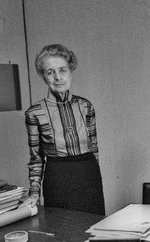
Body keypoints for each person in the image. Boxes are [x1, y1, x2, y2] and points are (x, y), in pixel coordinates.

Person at [19, 44, 105, 215]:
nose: (58, 77)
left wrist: (95, 178)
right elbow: (36, 159)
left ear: (70, 71)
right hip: (58, 179)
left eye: (62, 70)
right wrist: (34, 193)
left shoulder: (86, 106)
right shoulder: (34, 113)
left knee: (94, 230)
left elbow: (94, 148)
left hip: (89, 176)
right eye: (50, 72)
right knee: (61, 233)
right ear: (43, 76)